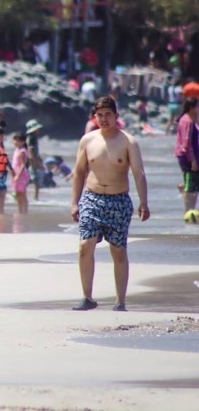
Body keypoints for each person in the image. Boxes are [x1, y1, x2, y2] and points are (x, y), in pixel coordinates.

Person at [70, 97, 150, 312]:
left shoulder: (128, 142)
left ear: (116, 116)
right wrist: (74, 203)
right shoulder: (87, 140)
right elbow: (79, 172)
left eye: (108, 115)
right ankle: (87, 297)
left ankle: (120, 302)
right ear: (95, 117)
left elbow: (138, 173)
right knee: (85, 246)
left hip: (118, 200)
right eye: (100, 115)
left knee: (118, 251)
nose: (103, 119)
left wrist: (144, 202)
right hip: (91, 198)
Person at [173, 97, 199, 213]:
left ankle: (184, 189)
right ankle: (189, 212)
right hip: (189, 158)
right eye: (197, 107)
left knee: (192, 184)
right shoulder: (187, 121)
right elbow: (186, 143)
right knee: (192, 186)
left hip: (185, 156)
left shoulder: (186, 119)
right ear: (191, 108)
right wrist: (193, 160)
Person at [25, 119, 46, 201]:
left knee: (30, 179)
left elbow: (34, 151)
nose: (38, 130)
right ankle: (35, 198)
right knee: (35, 180)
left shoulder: (33, 137)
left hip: (33, 161)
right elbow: (30, 152)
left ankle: (35, 197)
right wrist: (37, 163)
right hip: (32, 162)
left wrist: (39, 158)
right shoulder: (31, 138)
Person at [11, 132, 31, 214]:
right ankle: (20, 211)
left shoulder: (22, 151)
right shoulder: (16, 150)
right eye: (15, 140)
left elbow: (23, 165)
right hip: (16, 174)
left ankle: (24, 211)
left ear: (23, 142)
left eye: (18, 140)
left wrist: (18, 176)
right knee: (18, 194)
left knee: (22, 194)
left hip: (21, 175)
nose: (16, 142)